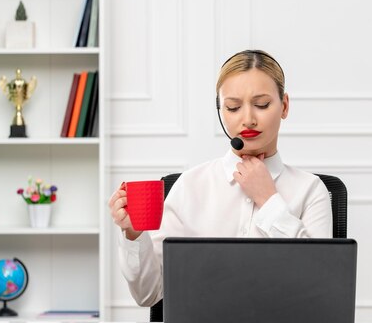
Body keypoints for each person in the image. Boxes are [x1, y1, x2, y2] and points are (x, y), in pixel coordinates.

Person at [108, 50, 332, 307]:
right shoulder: (191, 186)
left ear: (284, 106)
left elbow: (321, 284)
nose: (248, 119)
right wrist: (134, 234)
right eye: (233, 107)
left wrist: (268, 200)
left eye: (261, 105)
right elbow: (147, 294)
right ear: (220, 110)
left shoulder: (311, 190)